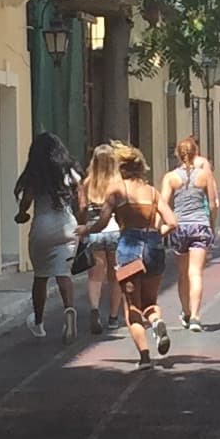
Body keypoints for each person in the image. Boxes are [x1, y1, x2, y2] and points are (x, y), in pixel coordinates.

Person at [105, 148, 173, 366]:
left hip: (128, 249)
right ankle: (156, 321)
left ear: (122, 168)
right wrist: (155, 234)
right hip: (153, 247)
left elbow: (103, 221)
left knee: (132, 308)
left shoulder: (117, 190)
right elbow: (172, 222)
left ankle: (144, 357)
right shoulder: (153, 192)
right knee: (151, 302)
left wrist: (87, 229)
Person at [15, 131, 83, 338]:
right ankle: (69, 310)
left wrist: (21, 214)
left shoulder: (36, 174)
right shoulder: (70, 171)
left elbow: (26, 201)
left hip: (42, 228)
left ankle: (38, 321)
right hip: (67, 225)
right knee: (64, 273)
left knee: (41, 276)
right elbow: (82, 200)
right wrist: (83, 223)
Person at [163, 133, 219, 332]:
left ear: (178, 155)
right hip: (199, 226)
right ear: (195, 154)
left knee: (182, 273)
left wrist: (167, 224)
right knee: (196, 273)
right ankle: (196, 316)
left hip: (179, 227)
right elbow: (212, 204)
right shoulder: (205, 175)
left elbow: (163, 204)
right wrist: (211, 225)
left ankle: (186, 311)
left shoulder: (170, 178)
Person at [76, 142, 123, 335]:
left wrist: (83, 227)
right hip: (115, 230)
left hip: (94, 231)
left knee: (95, 276)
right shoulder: (118, 183)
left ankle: (94, 309)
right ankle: (113, 317)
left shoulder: (87, 183)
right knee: (115, 277)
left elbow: (81, 208)